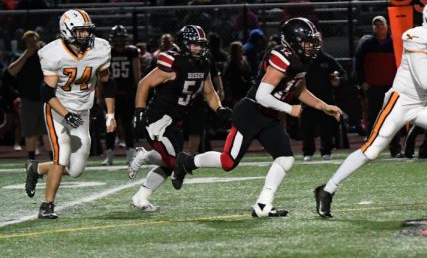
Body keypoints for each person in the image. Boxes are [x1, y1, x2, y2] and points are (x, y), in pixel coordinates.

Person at [171, 18, 342, 218]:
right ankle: (186, 162)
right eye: (307, 41)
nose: (312, 46)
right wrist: (289, 109)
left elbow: (299, 89)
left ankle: (263, 205)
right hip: (251, 113)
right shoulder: (282, 56)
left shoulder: (301, 59)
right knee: (228, 162)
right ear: (293, 41)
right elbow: (262, 95)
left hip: (268, 116)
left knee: (285, 158)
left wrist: (323, 106)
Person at [315, 0, 427, 218]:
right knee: (371, 151)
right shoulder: (416, 37)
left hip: (424, 103)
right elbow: (425, 80)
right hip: (402, 102)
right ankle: (327, 189)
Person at [126, 25, 231, 212]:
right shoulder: (174, 62)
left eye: (201, 45)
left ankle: (140, 197)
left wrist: (219, 109)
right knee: (176, 162)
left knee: (169, 163)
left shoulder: (204, 62)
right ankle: (145, 157)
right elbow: (144, 84)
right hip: (158, 119)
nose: (199, 49)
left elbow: (209, 91)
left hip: (176, 120)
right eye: (194, 45)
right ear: (183, 44)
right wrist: (139, 111)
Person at [24, 9, 116, 220]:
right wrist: (66, 114)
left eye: (87, 31)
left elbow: (108, 83)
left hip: (82, 110)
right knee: (62, 153)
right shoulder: (53, 53)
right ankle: (47, 205)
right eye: (80, 31)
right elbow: (46, 92)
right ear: (67, 31)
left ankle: (36, 169)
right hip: (57, 109)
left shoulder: (100, 49)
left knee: (76, 169)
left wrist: (110, 114)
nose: (86, 35)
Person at [353, 15, 401, 155]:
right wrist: (362, 81)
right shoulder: (367, 44)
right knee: (373, 117)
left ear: (387, 26)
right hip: (373, 87)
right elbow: (358, 65)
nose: (379, 27)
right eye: (376, 25)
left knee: (393, 117)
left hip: (392, 87)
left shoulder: (394, 43)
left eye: (381, 25)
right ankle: (371, 147)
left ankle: (395, 148)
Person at [301, 39, 345, 161]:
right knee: (307, 127)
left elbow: (341, 73)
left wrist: (337, 79)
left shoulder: (327, 59)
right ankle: (308, 152)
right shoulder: (303, 59)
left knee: (326, 126)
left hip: (325, 99)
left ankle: (327, 151)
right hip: (307, 99)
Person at [102, 25, 141, 165]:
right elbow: (102, 75)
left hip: (126, 93)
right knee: (111, 125)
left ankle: (130, 153)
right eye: (117, 38)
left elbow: (137, 74)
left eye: (120, 38)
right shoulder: (107, 53)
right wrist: (100, 94)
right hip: (112, 94)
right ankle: (110, 154)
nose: (119, 41)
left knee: (127, 125)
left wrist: (139, 93)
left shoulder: (132, 52)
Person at [6, 31, 46, 161]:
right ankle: (32, 162)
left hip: (45, 99)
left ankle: (53, 162)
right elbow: (11, 70)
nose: (32, 44)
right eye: (29, 42)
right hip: (28, 99)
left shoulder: (44, 55)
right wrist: (26, 55)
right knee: (30, 133)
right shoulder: (19, 56)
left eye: (34, 41)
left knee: (48, 133)